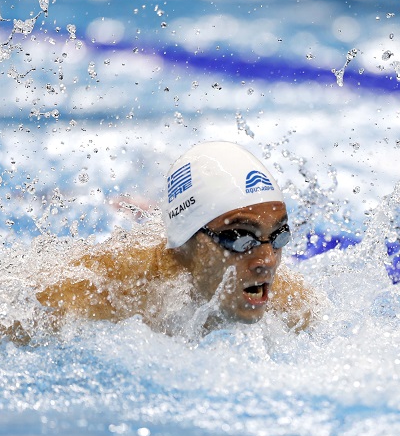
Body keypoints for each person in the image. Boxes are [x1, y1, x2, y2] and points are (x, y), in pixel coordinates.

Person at [32, 141, 318, 336]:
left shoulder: (292, 306)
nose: (266, 261)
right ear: (186, 241)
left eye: (279, 237)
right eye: (242, 239)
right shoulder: (109, 291)